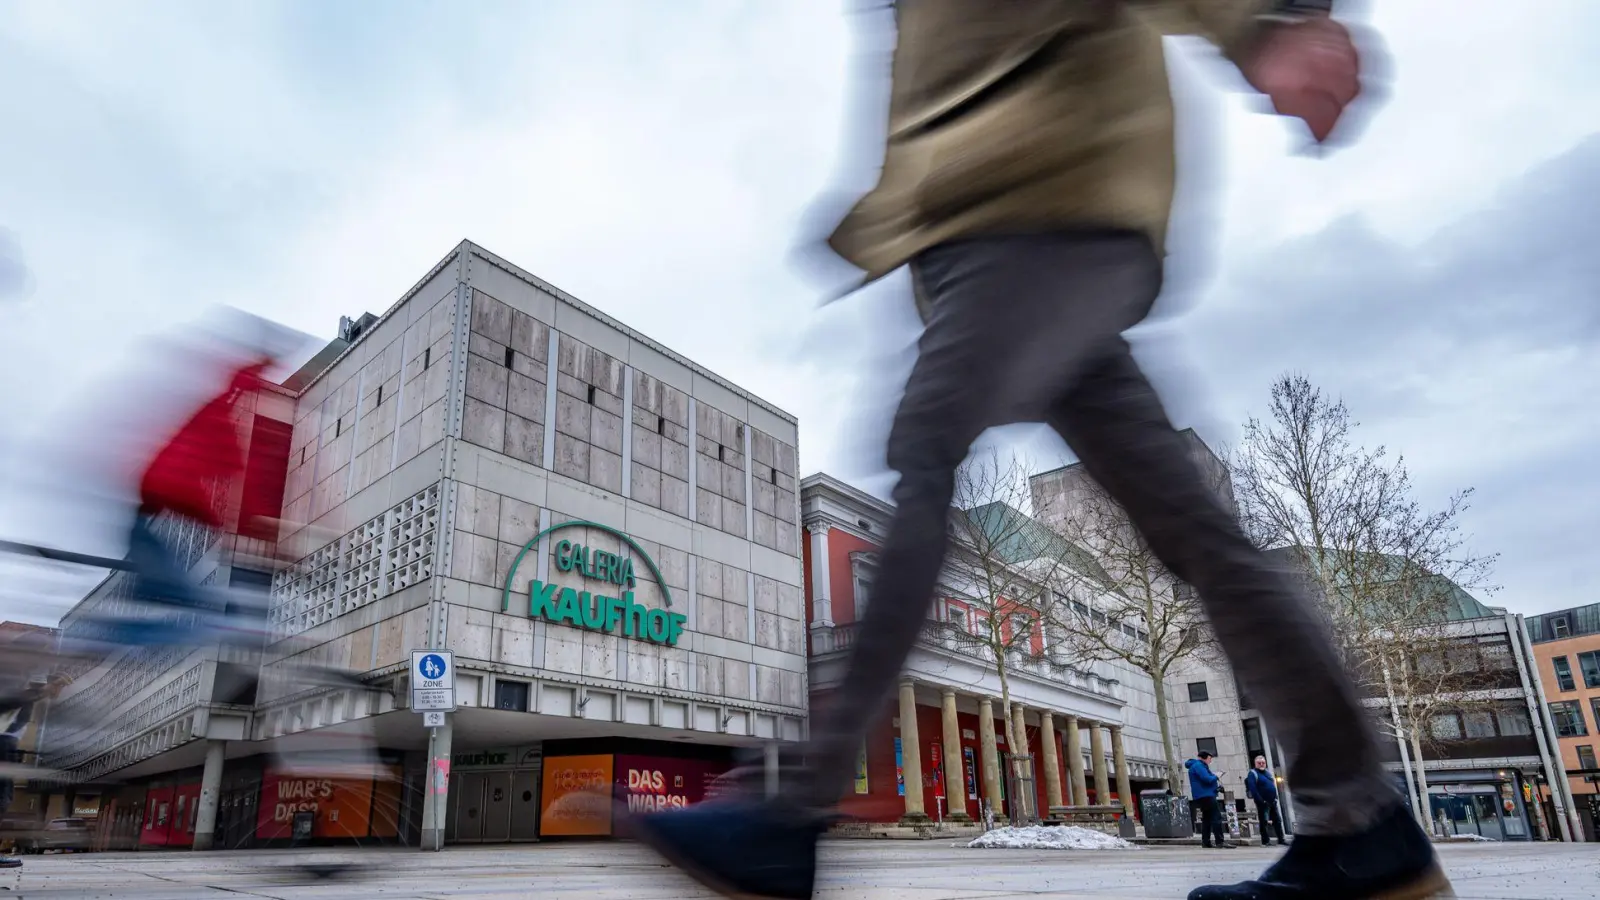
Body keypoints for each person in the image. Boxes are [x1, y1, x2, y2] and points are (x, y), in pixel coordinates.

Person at [625, 3, 1451, 900]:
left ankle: (785, 818)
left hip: (1037, 216)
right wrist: (886, 217)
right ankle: (1364, 831)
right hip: (1020, 231)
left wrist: (1261, 26)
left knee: (926, 458)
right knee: (1200, 535)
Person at [1187, 751, 1230, 849]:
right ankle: (1220, 841)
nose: (1210, 761)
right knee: (1216, 817)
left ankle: (1206, 842)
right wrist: (1217, 776)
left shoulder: (1197, 766)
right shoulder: (1199, 766)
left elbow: (1204, 781)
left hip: (1204, 796)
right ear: (1205, 758)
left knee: (1207, 819)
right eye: (1210, 758)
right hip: (1207, 796)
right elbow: (1207, 779)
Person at [1247, 754, 1288, 845]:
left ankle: (1281, 839)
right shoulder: (1252, 773)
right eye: (1259, 763)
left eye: (1263, 763)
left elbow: (1273, 785)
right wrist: (1260, 801)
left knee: (1277, 820)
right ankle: (1265, 841)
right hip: (1263, 802)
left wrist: (1276, 798)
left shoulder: (1268, 773)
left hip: (1272, 801)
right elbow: (1253, 789)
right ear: (1255, 764)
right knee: (1264, 821)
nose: (1261, 764)